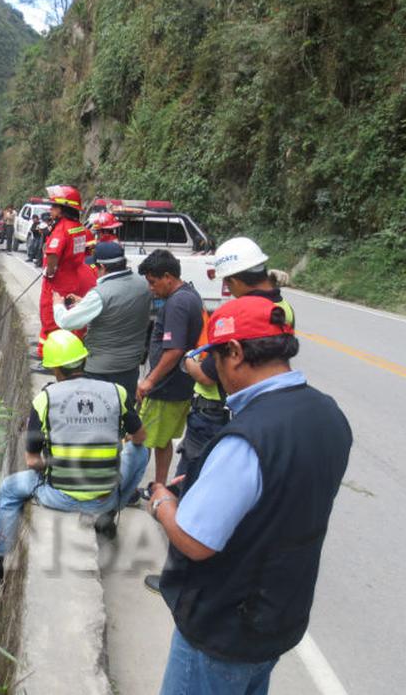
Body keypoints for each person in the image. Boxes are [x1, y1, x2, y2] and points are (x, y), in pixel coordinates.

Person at [148, 296, 351, 695]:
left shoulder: (249, 436)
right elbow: (284, 490)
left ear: (236, 352)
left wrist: (162, 503)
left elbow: (195, 541)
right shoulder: (327, 413)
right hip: (278, 615)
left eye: (215, 361)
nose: (213, 372)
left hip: (225, 626)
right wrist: (210, 479)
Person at [143, 236, 297, 595]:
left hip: (213, 408)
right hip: (250, 408)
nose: (225, 288)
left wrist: (191, 362)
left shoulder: (234, 315)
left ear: (238, 278)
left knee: (189, 488)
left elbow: (209, 372)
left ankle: (176, 578)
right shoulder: (283, 309)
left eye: (227, 281)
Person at [0, 330, 149, 583]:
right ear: (83, 361)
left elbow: (32, 461)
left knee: (9, 489)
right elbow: (140, 437)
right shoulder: (117, 392)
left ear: (56, 369)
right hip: (104, 496)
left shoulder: (44, 400)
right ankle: (109, 515)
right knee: (140, 452)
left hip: (60, 496)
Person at [53, 241, 151, 411]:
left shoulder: (100, 294)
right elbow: (119, 308)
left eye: (96, 267)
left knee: (99, 415)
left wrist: (57, 304)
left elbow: (66, 322)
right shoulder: (142, 284)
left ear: (103, 267)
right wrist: (85, 303)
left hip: (101, 370)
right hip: (130, 367)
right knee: (123, 414)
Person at [136, 249, 203, 485]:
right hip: (178, 385)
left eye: (153, 282)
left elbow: (174, 350)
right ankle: (159, 485)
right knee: (162, 440)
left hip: (165, 388)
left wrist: (150, 381)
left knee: (139, 438)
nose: (151, 288)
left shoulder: (177, 303)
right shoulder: (190, 295)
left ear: (168, 277)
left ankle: (128, 489)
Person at [36, 185, 98, 358]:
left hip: (58, 283)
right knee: (69, 320)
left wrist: (49, 271)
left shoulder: (61, 230)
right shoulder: (78, 227)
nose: (51, 210)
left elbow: (53, 254)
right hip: (73, 279)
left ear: (63, 209)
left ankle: (52, 358)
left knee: (51, 320)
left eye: (54, 206)